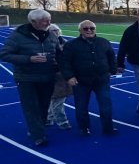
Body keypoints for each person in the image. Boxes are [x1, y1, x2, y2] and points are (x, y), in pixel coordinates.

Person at [1, 9, 62, 146]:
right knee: (30, 107)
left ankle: (36, 128)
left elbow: (59, 55)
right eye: (45, 20)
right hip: (26, 78)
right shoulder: (17, 36)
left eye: (49, 19)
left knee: (43, 106)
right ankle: (38, 135)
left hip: (47, 77)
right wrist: (29, 59)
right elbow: (4, 54)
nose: (49, 22)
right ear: (33, 21)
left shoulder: (51, 35)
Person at [61, 20, 118, 136]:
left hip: (101, 80)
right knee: (81, 106)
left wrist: (111, 71)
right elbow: (64, 62)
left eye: (91, 28)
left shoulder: (103, 42)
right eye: (85, 28)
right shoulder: (71, 45)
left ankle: (108, 127)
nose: (89, 30)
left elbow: (112, 57)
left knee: (106, 104)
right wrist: (69, 77)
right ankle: (84, 128)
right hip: (81, 81)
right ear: (80, 31)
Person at [46, 24, 72, 130]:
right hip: (52, 75)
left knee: (56, 99)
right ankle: (62, 121)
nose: (55, 32)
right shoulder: (45, 44)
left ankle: (48, 117)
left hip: (64, 75)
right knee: (57, 99)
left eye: (56, 30)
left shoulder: (65, 43)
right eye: (52, 31)